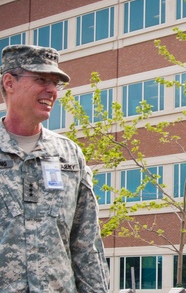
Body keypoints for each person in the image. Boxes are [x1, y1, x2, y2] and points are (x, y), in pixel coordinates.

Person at [0, 45, 110, 292]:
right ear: (9, 82)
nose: (51, 90)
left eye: (55, 83)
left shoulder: (69, 155)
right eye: (41, 79)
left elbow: (86, 245)